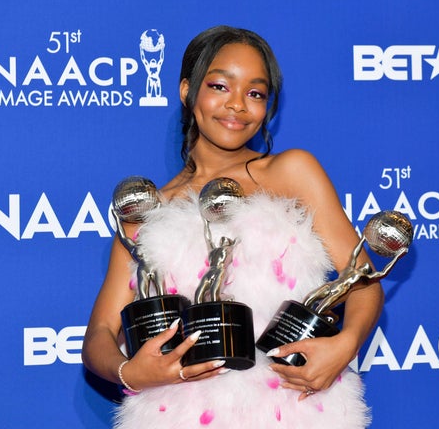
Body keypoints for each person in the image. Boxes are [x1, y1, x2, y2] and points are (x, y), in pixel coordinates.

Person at [82, 26, 383, 428]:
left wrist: (344, 346)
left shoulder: (292, 172)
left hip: (295, 409)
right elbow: (101, 332)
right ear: (187, 90)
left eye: (255, 93)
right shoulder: (147, 212)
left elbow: (363, 281)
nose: (238, 105)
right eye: (221, 86)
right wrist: (130, 372)